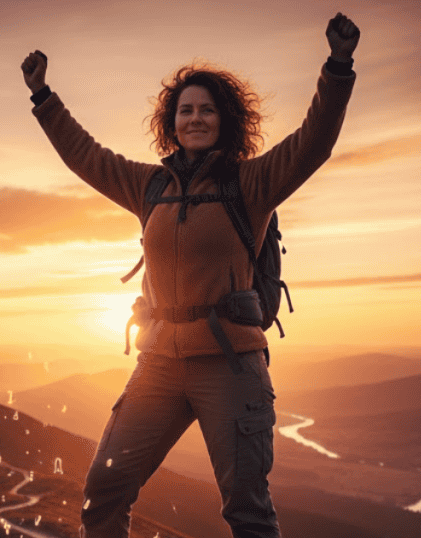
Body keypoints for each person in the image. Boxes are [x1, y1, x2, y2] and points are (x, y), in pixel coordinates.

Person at [21, 13, 359, 538]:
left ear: (225, 120)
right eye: (185, 110)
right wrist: (44, 97)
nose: (195, 118)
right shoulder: (150, 187)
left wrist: (338, 67)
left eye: (206, 110)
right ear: (171, 121)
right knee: (103, 494)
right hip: (159, 365)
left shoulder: (251, 183)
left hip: (229, 365)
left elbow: (312, 144)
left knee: (247, 512)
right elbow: (85, 156)